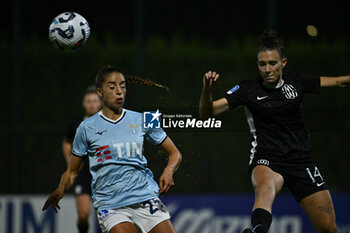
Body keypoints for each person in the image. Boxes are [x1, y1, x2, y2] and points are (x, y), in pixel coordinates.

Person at [199, 29, 350, 233]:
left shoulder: (297, 83)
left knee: (329, 228)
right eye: (262, 64)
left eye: (272, 63)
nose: (267, 69)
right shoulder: (247, 89)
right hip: (267, 160)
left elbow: (340, 81)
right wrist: (207, 89)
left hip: (302, 162)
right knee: (265, 188)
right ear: (258, 65)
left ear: (283, 63)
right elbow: (206, 114)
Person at [43, 65, 182, 233]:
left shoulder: (145, 118)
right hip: (110, 205)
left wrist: (169, 170)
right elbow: (72, 172)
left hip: (146, 198)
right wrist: (61, 188)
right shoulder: (86, 128)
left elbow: (175, 153)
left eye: (123, 86)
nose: (119, 91)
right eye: (112, 86)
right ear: (100, 92)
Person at [62, 86, 102, 233]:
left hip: (103, 172)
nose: (91, 104)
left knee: (105, 217)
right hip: (83, 173)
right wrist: (70, 163)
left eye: (94, 101)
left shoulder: (108, 121)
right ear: (84, 104)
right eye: (88, 101)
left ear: (100, 103)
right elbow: (67, 143)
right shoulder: (76, 123)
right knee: (84, 215)